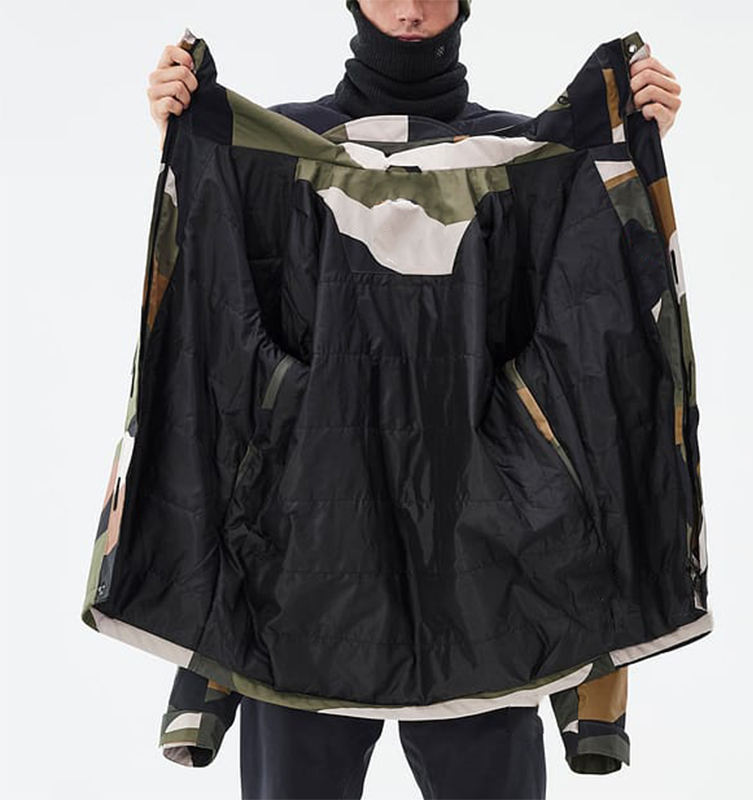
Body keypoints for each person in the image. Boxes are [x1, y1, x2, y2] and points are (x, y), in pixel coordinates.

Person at [145, 3, 682, 798]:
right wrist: (185, 138)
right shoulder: (272, 146)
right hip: (305, 570)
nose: (408, 7)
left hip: (482, 570)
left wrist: (625, 150)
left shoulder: (526, 156)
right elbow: (218, 330)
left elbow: (581, 342)